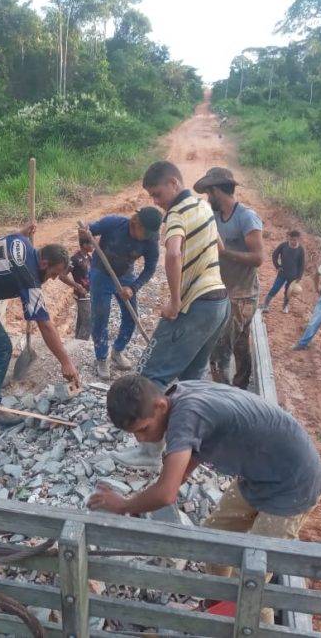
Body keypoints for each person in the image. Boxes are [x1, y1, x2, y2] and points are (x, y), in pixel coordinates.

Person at [88, 374, 321, 625]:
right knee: (214, 538)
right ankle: (218, 605)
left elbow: (167, 493)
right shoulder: (178, 398)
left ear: (159, 406)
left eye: (143, 429)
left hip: (294, 485)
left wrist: (124, 504)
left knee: (250, 579)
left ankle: (256, 628)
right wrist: (145, 500)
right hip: (260, 473)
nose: (142, 439)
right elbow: (183, 469)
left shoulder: (186, 417)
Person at [113, 161, 229, 469]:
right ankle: (190, 446)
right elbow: (219, 244)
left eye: (157, 193)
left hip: (195, 305)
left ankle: (149, 454)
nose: (156, 201)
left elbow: (174, 252)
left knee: (150, 376)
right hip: (218, 302)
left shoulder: (177, 214)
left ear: (174, 184)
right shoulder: (203, 208)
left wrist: (176, 301)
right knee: (192, 379)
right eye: (151, 196)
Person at [0, 225, 80, 426]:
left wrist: (21, 232)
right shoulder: (28, 276)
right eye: (54, 273)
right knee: (1, 347)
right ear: (44, 263)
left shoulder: (21, 241)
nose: (54, 278)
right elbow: (44, 324)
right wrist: (66, 362)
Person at [194, 168, 263, 390]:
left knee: (218, 352)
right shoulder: (215, 217)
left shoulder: (246, 217)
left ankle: (223, 399)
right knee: (241, 345)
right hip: (226, 292)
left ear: (216, 190)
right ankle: (240, 390)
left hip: (241, 296)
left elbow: (258, 258)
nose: (207, 198)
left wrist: (225, 253)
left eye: (208, 193)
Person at [78, 207, 162, 379]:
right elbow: (87, 232)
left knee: (132, 316)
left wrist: (133, 287)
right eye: (146, 233)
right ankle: (102, 358)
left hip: (126, 276)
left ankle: (117, 351)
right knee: (100, 316)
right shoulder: (113, 223)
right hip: (101, 273)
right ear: (136, 222)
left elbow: (150, 268)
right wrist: (84, 235)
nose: (148, 238)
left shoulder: (151, 240)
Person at [60, 232, 95, 341]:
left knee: (81, 320)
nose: (93, 246)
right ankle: (81, 344)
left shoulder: (88, 257)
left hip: (89, 293)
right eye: (91, 244)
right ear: (84, 245)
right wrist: (77, 286)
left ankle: (76, 341)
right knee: (88, 321)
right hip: (82, 294)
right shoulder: (75, 259)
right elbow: (62, 276)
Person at [262, 230, 305, 314]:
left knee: (288, 293)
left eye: (295, 240)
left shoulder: (300, 250)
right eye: (291, 239)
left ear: (298, 240)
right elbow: (275, 255)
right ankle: (265, 305)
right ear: (289, 238)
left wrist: (299, 277)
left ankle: (285, 306)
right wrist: (277, 266)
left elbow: (302, 264)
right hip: (282, 273)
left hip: (293, 276)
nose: (293, 241)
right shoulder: (283, 246)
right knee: (275, 288)